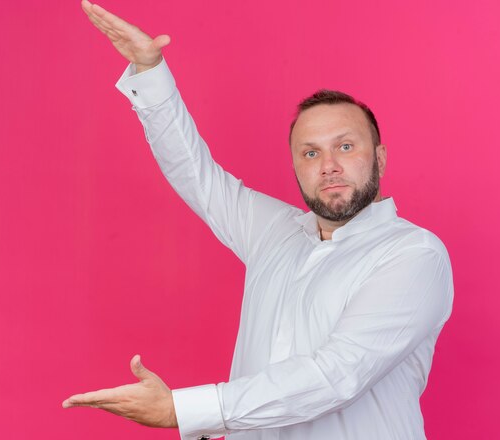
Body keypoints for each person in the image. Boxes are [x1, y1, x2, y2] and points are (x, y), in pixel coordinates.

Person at [62, 1, 454, 439]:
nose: (328, 165)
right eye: (311, 153)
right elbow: (198, 177)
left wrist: (185, 410)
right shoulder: (275, 232)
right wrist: (149, 70)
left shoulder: (414, 254)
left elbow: (337, 374)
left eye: (345, 147)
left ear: (379, 157)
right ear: (296, 167)